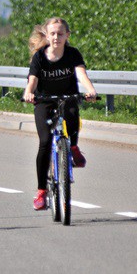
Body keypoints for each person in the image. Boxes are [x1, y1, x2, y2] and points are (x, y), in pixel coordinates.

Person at [23, 17, 98, 211]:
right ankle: (41, 191)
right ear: (47, 36)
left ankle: (72, 147)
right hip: (44, 101)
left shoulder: (73, 54)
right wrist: (28, 92)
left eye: (60, 33)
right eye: (53, 33)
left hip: (68, 97)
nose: (56, 37)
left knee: (72, 114)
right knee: (45, 142)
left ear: (67, 35)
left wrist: (90, 90)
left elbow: (81, 74)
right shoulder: (39, 57)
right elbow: (33, 79)